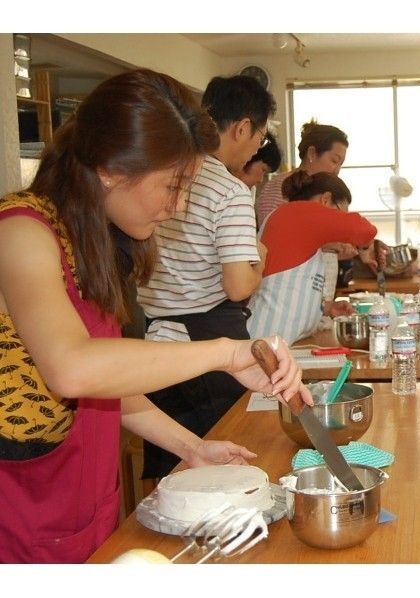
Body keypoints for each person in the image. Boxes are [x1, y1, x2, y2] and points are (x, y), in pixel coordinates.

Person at [0, 69, 311, 564]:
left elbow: (107, 380)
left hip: (88, 499)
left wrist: (191, 447)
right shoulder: (22, 232)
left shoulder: (96, 239)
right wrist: (225, 352)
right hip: (27, 506)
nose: (179, 204)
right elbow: (71, 367)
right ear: (110, 168)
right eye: (173, 185)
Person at [136, 74, 276, 479]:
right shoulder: (228, 190)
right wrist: (260, 261)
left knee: (170, 471)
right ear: (243, 127)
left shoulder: (163, 177)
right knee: (226, 465)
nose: (255, 149)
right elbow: (238, 285)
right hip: (210, 342)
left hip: (156, 339)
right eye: (259, 138)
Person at [248, 170, 379, 345]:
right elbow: (365, 230)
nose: (339, 219)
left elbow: (294, 287)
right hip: (266, 341)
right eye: (340, 212)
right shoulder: (297, 213)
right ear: (325, 199)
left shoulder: (297, 225)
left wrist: (327, 309)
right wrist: (364, 247)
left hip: (282, 342)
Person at [255, 120, 349, 228]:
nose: (337, 170)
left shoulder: (327, 191)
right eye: (334, 161)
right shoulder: (280, 188)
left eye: (341, 164)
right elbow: (273, 235)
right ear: (312, 153)